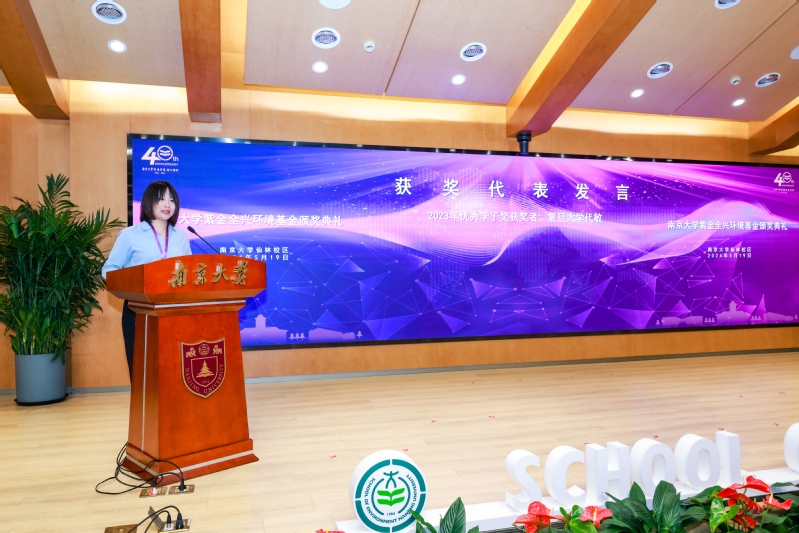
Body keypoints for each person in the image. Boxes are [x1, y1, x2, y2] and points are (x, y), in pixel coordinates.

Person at [102, 181, 192, 380]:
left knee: (175, 371)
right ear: (149, 202)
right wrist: (133, 286)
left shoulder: (181, 237)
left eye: (171, 199)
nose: (167, 204)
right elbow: (109, 270)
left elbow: (189, 273)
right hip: (139, 310)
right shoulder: (130, 235)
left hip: (174, 310)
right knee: (143, 371)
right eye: (161, 198)